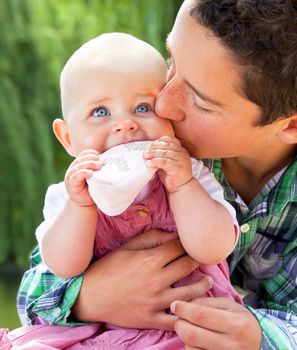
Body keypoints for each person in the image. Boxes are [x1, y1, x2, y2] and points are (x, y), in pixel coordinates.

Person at [16, 0, 297, 349]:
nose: (162, 103)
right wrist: (89, 297)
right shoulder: (145, 156)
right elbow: (34, 292)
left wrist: (261, 338)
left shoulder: (179, 168)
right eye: (172, 63)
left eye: (200, 100)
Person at [4, 32, 240, 349]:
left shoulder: (190, 173)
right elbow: (63, 265)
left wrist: (183, 185)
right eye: (101, 112)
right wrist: (81, 207)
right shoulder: (69, 195)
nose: (125, 124)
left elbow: (214, 248)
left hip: (185, 327)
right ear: (67, 137)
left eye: (143, 107)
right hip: (97, 333)